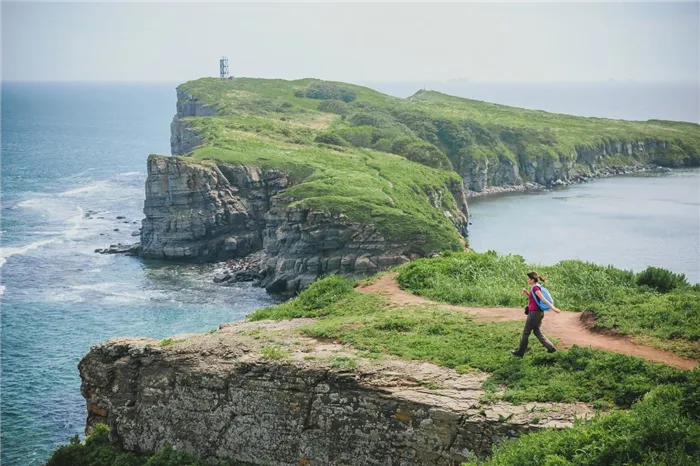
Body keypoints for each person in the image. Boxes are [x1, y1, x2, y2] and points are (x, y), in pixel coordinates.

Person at [511, 271, 561, 357]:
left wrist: (553, 308)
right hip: (538, 313)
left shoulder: (535, 288)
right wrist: (527, 294)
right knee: (537, 331)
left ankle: (520, 352)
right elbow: (535, 300)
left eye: (528, 278)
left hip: (534, 314)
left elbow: (543, 299)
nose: (527, 280)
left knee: (526, 332)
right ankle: (551, 348)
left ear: (532, 279)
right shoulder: (535, 288)